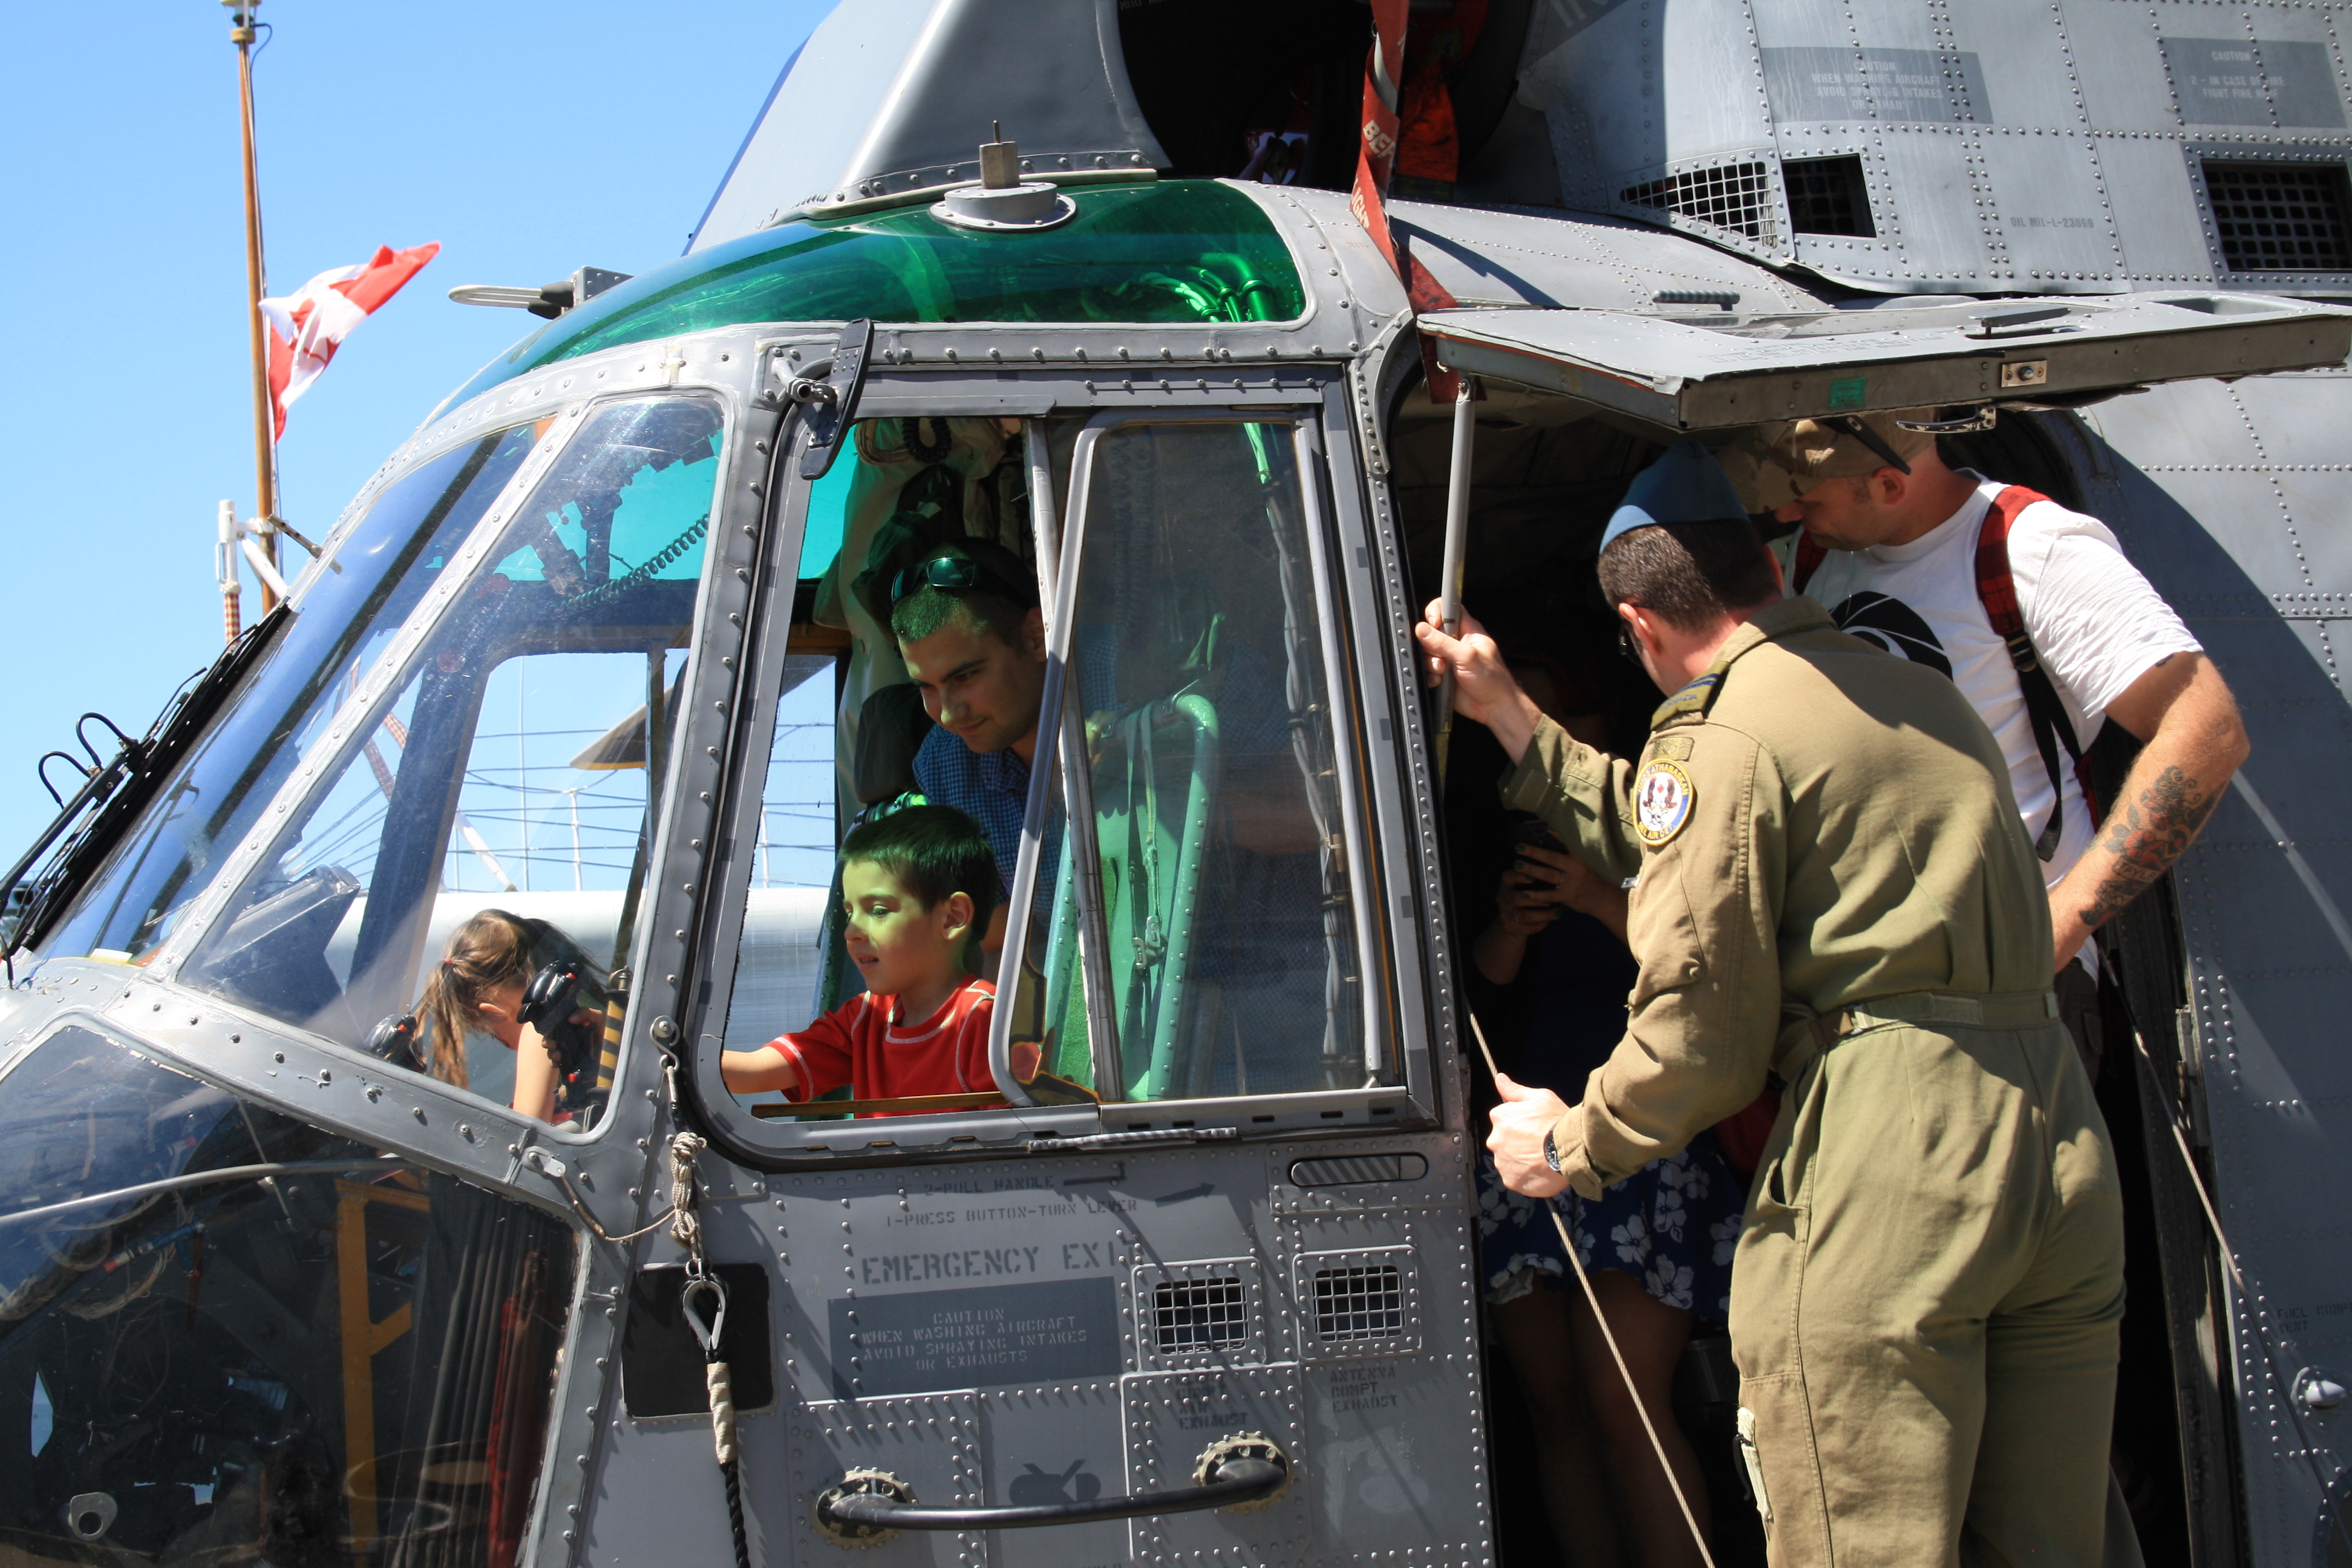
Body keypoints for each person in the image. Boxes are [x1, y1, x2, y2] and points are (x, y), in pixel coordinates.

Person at [1416, 439, 2126, 1566]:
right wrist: (1512, 716)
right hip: (2052, 1141)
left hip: (1895, 1159)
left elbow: (1702, 1032)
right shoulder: (1916, 696)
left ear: (1641, 626)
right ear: (1765, 574)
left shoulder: (1719, 732)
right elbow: (1692, 824)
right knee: (2045, 1542)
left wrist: (1569, 1142)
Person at [1733, 411, 2249, 1068]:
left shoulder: (2032, 548)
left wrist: (2063, 923)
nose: (1787, 514)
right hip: (1862, 986)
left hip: (2006, 988)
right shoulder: (1819, 556)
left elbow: (2206, 729)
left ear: (1889, 486)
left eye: (1808, 499)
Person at [1471, 670, 1740, 1568]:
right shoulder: (1506, 834)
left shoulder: (1653, 822)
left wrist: (1594, 894)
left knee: (1624, 1403)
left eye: (1569, 711)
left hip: (1637, 1142)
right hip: (1522, 1143)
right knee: (1557, 1410)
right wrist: (1514, 924)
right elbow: (1482, 997)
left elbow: (1703, 965)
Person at [720, 804, 1034, 1112]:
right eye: (850, 913)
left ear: (952, 918)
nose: (851, 931)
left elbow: (1021, 1134)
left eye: (879, 911)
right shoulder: (865, 1018)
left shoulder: (987, 1024)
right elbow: (756, 1071)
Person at [888, 541, 1059, 949]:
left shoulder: (1134, 687)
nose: (949, 715)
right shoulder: (942, 760)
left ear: (1036, 637)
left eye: (965, 676)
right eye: (927, 687)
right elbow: (992, 929)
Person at [418, 909, 607, 1124]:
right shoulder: (589, 1007)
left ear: (492, 1013)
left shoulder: (541, 1028)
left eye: (491, 1034)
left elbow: (522, 1135)